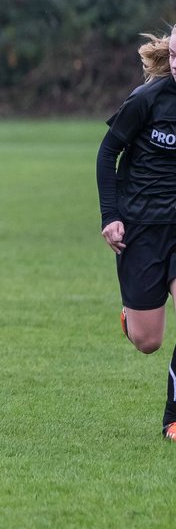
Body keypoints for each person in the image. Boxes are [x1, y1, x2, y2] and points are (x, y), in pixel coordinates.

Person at [97, 25, 176, 441]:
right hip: (142, 226)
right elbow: (108, 152)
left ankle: (173, 419)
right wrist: (110, 216)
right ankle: (133, 318)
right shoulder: (147, 100)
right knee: (148, 343)